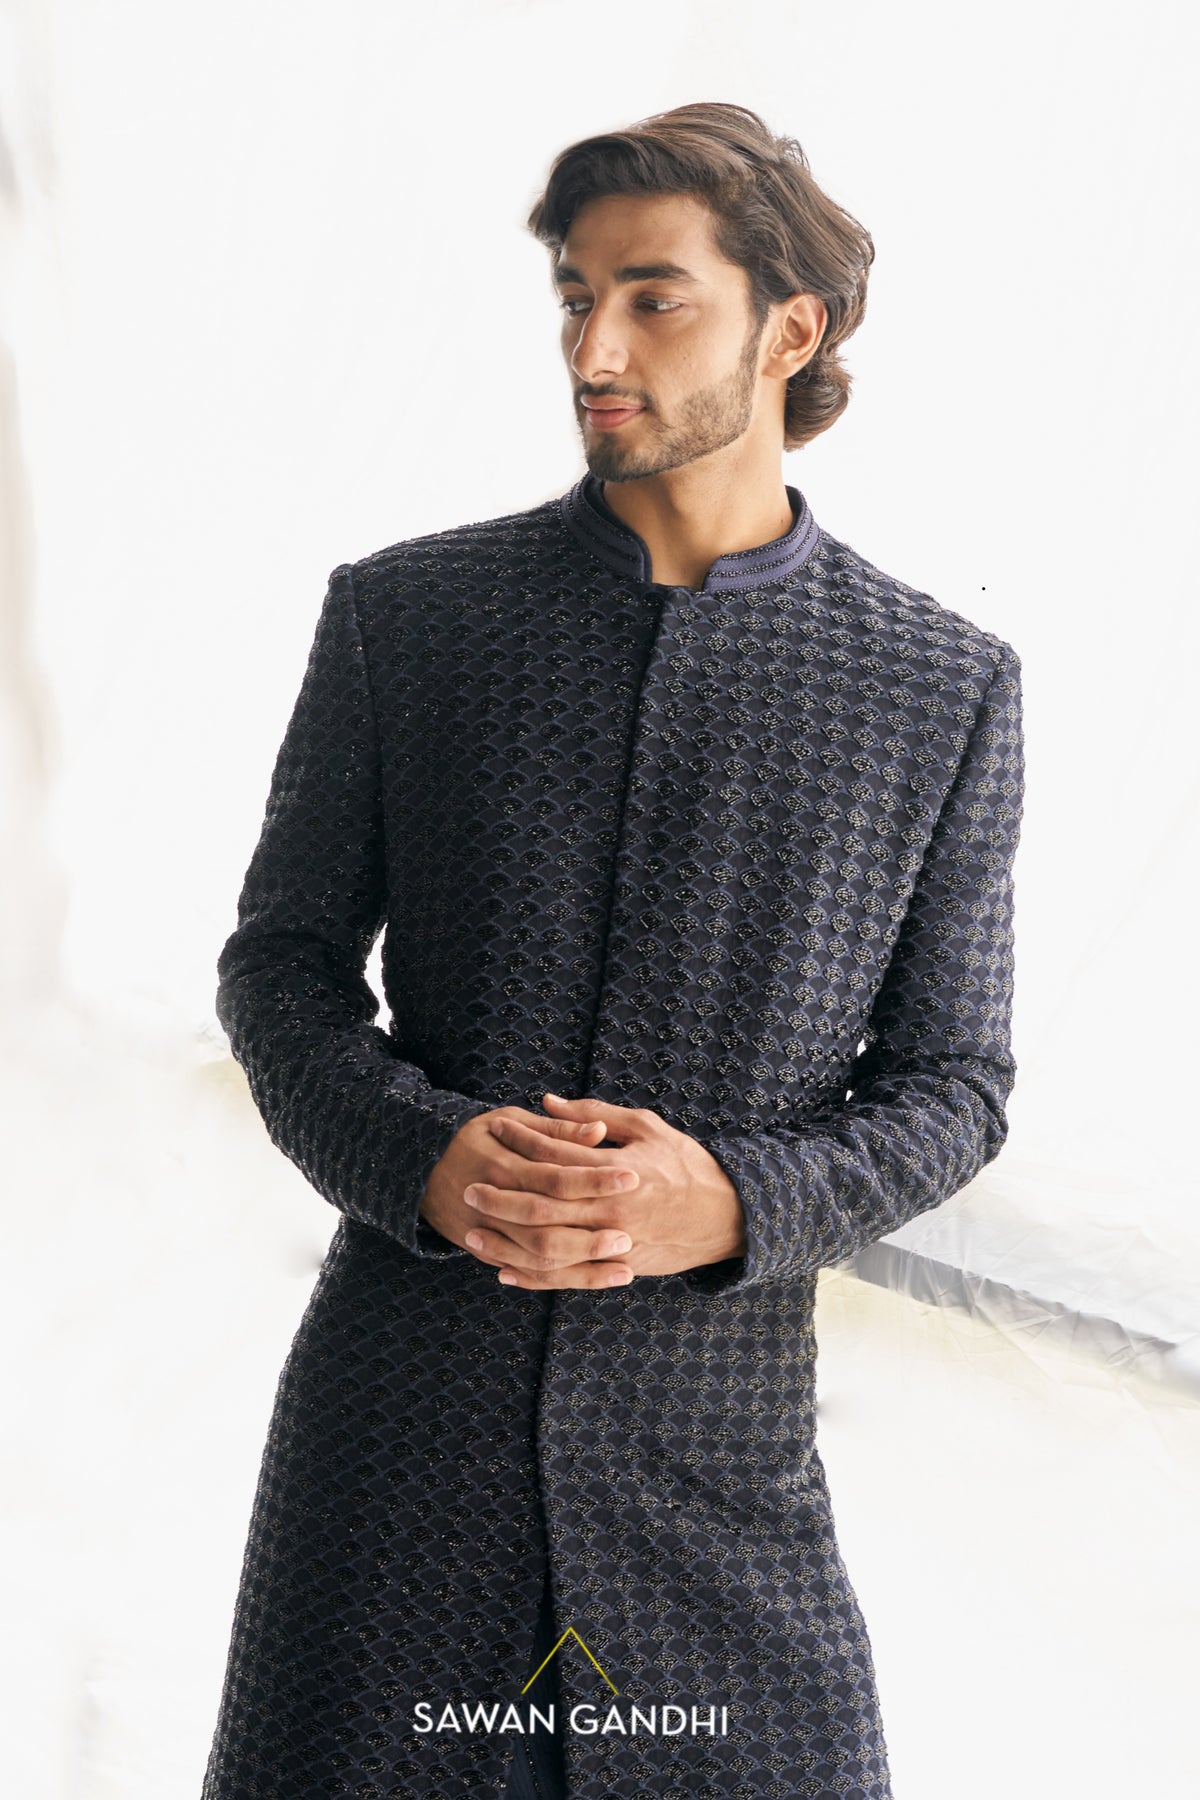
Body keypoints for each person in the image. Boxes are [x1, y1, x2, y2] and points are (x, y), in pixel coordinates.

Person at [201, 101, 1023, 1800]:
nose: (594, 350)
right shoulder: (408, 617)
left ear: (789, 331)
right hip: (392, 1468)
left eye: (655, 300)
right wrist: (423, 1158)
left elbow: (955, 1084)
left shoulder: (942, 689)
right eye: (576, 299)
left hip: (720, 1480)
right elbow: (279, 969)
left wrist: (735, 1201)